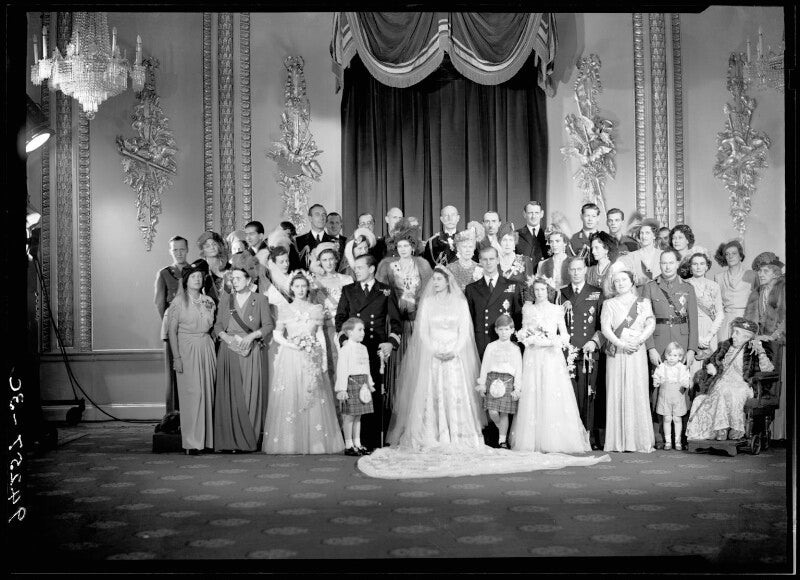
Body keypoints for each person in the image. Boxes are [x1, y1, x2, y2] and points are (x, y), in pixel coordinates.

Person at [359, 268, 610, 479]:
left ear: (447, 281)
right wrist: (436, 350)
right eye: (433, 279)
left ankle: (458, 434)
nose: (434, 283)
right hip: (434, 357)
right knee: (432, 396)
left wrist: (453, 350)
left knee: (455, 396)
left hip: (454, 357)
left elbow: (464, 331)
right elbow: (422, 331)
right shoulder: (427, 304)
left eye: (438, 279)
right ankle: (434, 434)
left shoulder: (458, 302)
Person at [262, 272, 345, 454]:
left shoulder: (316, 308)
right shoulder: (284, 309)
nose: (300, 290)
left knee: (312, 395)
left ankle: (315, 443)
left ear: (308, 288)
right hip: (290, 357)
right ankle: (290, 442)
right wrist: (291, 344)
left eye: (303, 286)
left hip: (311, 356)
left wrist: (323, 359)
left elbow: (320, 335)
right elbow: (277, 334)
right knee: (291, 395)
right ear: (291, 288)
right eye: (296, 286)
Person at [510, 277, 591, 454]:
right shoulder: (527, 308)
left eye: (543, 290)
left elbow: (565, 335)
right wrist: (527, 338)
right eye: (536, 290)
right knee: (533, 392)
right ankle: (532, 439)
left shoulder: (556, 309)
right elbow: (523, 330)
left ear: (549, 291)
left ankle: (554, 439)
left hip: (551, 356)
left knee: (551, 391)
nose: (539, 293)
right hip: (532, 355)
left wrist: (550, 341)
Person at [335, 254, 403, 450]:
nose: (356, 271)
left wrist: (391, 343)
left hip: (375, 350)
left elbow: (396, 322)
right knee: (353, 394)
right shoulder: (348, 290)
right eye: (355, 267)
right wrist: (345, 343)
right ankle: (353, 442)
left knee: (372, 394)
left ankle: (370, 441)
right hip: (353, 350)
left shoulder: (385, 290)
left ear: (372, 269)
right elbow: (340, 319)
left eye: (360, 267)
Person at [641, 249, 699, 448]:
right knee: (658, 388)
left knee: (681, 387)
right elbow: (645, 320)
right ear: (660, 264)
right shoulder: (650, 287)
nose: (667, 266)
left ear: (677, 264)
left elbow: (693, 320)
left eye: (671, 263)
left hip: (681, 344)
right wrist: (650, 348)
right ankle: (659, 435)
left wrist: (691, 349)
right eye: (663, 263)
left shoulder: (688, 288)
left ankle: (681, 435)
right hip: (658, 342)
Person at [213, 267, 274, 452]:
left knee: (249, 394)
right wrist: (226, 338)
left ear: (249, 280)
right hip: (229, 350)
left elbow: (268, 325)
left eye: (239, 278)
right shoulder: (226, 299)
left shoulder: (260, 299)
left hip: (250, 350)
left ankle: (248, 440)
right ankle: (229, 441)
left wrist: (251, 336)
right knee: (230, 395)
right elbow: (218, 326)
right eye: (233, 278)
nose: (235, 281)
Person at [686, 317, 774, 441]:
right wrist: (711, 368)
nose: (733, 336)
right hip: (721, 382)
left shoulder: (752, 350)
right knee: (700, 399)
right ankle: (717, 430)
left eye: (737, 333)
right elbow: (710, 362)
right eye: (733, 332)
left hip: (742, 385)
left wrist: (761, 352)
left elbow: (768, 370)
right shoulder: (725, 346)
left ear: (747, 337)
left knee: (725, 390)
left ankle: (731, 428)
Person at [375, 221, 433, 408]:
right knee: (397, 364)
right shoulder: (386, 265)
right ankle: (396, 405)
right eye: (399, 246)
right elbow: (379, 293)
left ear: (413, 246)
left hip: (417, 322)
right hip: (394, 323)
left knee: (416, 364)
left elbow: (429, 294)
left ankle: (417, 405)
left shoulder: (422, 265)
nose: (402, 249)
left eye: (406, 245)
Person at [601, 269, 656, 453]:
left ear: (632, 281)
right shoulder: (608, 303)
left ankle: (638, 440)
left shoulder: (643, 302)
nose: (621, 283)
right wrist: (620, 343)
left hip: (636, 350)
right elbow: (605, 328)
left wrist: (638, 341)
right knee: (617, 391)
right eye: (616, 281)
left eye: (624, 280)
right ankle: (618, 441)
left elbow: (650, 323)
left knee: (637, 389)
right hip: (617, 352)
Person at [167, 260, 216, 454]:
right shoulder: (178, 302)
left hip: (206, 347)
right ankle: (192, 442)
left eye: (200, 277)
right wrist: (176, 357)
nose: (197, 280)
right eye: (193, 277)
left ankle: (207, 441)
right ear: (186, 281)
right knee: (192, 394)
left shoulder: (209, 301)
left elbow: (211, 327)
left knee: (207, 393)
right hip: (187, 348)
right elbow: (172, 332)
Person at [560, 257, 605, 450]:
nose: (576, 272)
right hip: (567, 353)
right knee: (569, 395)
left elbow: (603, 324)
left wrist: (595, 341)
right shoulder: (561, 293)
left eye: (579, 269)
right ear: (569, 271)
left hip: (588, 352)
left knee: (589, 394)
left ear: (586, 270)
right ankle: (571, 436)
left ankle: (589, 436)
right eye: (573, 269)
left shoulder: (596, 292)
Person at [744, 252, 786, 440]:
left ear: (775, 272)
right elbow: (750, 320)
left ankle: (775, 431)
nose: (761, 274)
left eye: (766, 270)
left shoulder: (783, 288)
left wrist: (774, 336)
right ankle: (759, 427)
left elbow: (785, 317)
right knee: (758, 381)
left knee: (774, 382)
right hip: (758, 343)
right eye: (759, 271)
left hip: (776, 343)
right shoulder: (756, 292)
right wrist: (753, 337)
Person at [465, 246, 524, 360]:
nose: (488, 263)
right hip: (482, 342)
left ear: (498, 260)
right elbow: (469, 320)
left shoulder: (512, 285)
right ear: (480, 262)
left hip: (505, 341)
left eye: (491, 259)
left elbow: (518, 318)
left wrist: (517, 342)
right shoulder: (471, 289)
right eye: (485, 259)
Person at [309, 242, 354, 388]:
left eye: (331, 259)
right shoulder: (315, 283)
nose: (328, 263)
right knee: (329, 364)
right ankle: (333, 405)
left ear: (336, 259)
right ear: (319, 262)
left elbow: (353, 306)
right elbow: (312, 308)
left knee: (346, 364)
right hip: (326, 329)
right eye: (324, 260)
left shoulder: (347, 280)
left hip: (345, 329)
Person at [476, 315, 522, 449]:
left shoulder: (515, 348)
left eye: (507, 329)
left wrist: (517, 388)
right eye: (501, 329)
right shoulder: (491, 346)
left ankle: (502, 440)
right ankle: (500, 427)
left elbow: (519, 369)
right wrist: (482, 383)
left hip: (508, 380)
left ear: (512, 330)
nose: (504, 332)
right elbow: (484, 366)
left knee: (504, 413)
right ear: (496, 330)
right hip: (492, 380)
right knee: (493, 411)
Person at [154, 235, 189, 415]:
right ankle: (172, 416)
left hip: (193, 330)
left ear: (187, 250)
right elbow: (160, 303)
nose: (179, 253)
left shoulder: (197, 270)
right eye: (175, 250)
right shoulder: (164, 273)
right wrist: (171, 325)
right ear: (170, 251)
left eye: (182, 249)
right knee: (173, 374)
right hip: (172, 330)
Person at [335, 317, 376, 456]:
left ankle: (357, 443)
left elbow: (367, 367)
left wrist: (369, 383)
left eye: (363, 329)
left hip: (362, 384)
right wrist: (342, 389)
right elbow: (342, 369)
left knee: (358, 416)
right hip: (351, 383)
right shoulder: (345, 349)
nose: (363, 332)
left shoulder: (363, 348)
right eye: (359, 330)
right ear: (349, 332)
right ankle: (348, 444)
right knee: (349, 416)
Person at [687, 252, 725, 373]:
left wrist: (709, 336)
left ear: (707, 266)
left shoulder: (714, 286)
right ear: (690, 267)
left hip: (710, 330)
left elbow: (720, 313)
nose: (698, 267)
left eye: (702, 264)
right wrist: (696, 338)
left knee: (709, 370)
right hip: (690, 329)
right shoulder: (684, 284)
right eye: (695, 264)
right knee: (691, 370)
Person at [652, 342, 692, 450]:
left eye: (675, 356)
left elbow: (686, 379)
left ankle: (678, 441)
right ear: (665, 356)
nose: (672, 358)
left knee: (677, 418)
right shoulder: (662, 367)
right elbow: (657, 376)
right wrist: (656, 381)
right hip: (665, 396)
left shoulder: (682, 368)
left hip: (678, 396)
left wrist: (685, 383)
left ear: (680, 357)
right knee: (667, 418)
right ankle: (668, 441)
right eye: (669, 355)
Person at [714, 240, 757, 341]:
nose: (730, 256)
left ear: (740, 256)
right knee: (724, 352)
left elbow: (758, 301)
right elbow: (717, 304)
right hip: (726, 322)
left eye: (734, 253)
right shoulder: (718, 277)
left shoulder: (752, 275)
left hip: (746, 320)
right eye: (727, 254)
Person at [619, 218, 662, 287]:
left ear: (654, 236)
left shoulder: (663, 255)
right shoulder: (631, 256)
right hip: (639, 294)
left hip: (660, 295)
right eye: (642, 233)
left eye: (647, 233)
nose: (644, 236)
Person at [447, 222, 485, 291]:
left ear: (474, 248)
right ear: (458, 248)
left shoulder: (481, 268)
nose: (468, 250)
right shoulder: (450, 268)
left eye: (470, 247)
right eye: (464, 246)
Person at [496, 222, 535, 289]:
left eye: (510, 240)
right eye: (504, 240)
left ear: (514, 243)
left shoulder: (525, 261)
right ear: (500, 243)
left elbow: (530, 288)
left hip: (520, 299)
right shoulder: (495, 263)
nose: (507, 244)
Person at [586, 231, 623, 298]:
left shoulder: (615, 269)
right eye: (592, 248)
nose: (593, 252)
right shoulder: (589, 271)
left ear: (606, 249)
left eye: (597, 248)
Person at [196, 231, 230, 300]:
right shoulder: (200, 271)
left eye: (214, 244)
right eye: (207, 246)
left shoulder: (230, 268)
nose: (212, 247)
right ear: (203, 250)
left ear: (219, 245)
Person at [516, 201, 547, 269]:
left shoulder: (549, 234)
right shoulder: (516, 235)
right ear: (524, 214)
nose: (533, 216)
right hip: (524, 277)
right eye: (530, 213)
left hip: (544, 276)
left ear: (542, 214)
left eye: (536, 213)